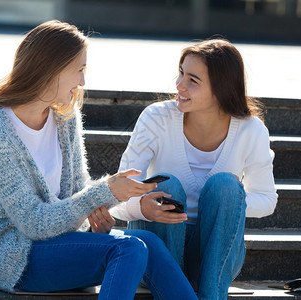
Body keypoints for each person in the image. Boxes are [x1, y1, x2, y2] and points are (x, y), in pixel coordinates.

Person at [0, 20, 197, 299]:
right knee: (128, 248)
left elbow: (79, 192)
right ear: (51, 68)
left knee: (148, 242)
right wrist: (103, 192)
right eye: (79, 70)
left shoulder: (64, 119)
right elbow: (33, 222)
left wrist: (107, 207)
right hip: (19, 258)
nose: (82, 81)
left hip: (64, 243)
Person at [110, 38, 278, 300]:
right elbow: (116, 196)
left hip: (215, 255)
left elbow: (267, 200)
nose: (179, 85)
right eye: (181, 73)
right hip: (157, 248)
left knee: (226, 186)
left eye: (192, 80)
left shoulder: (251, 130)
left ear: (221, 89)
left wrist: (230, 198)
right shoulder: (157, 118)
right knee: (166, 187)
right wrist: (142, 206)